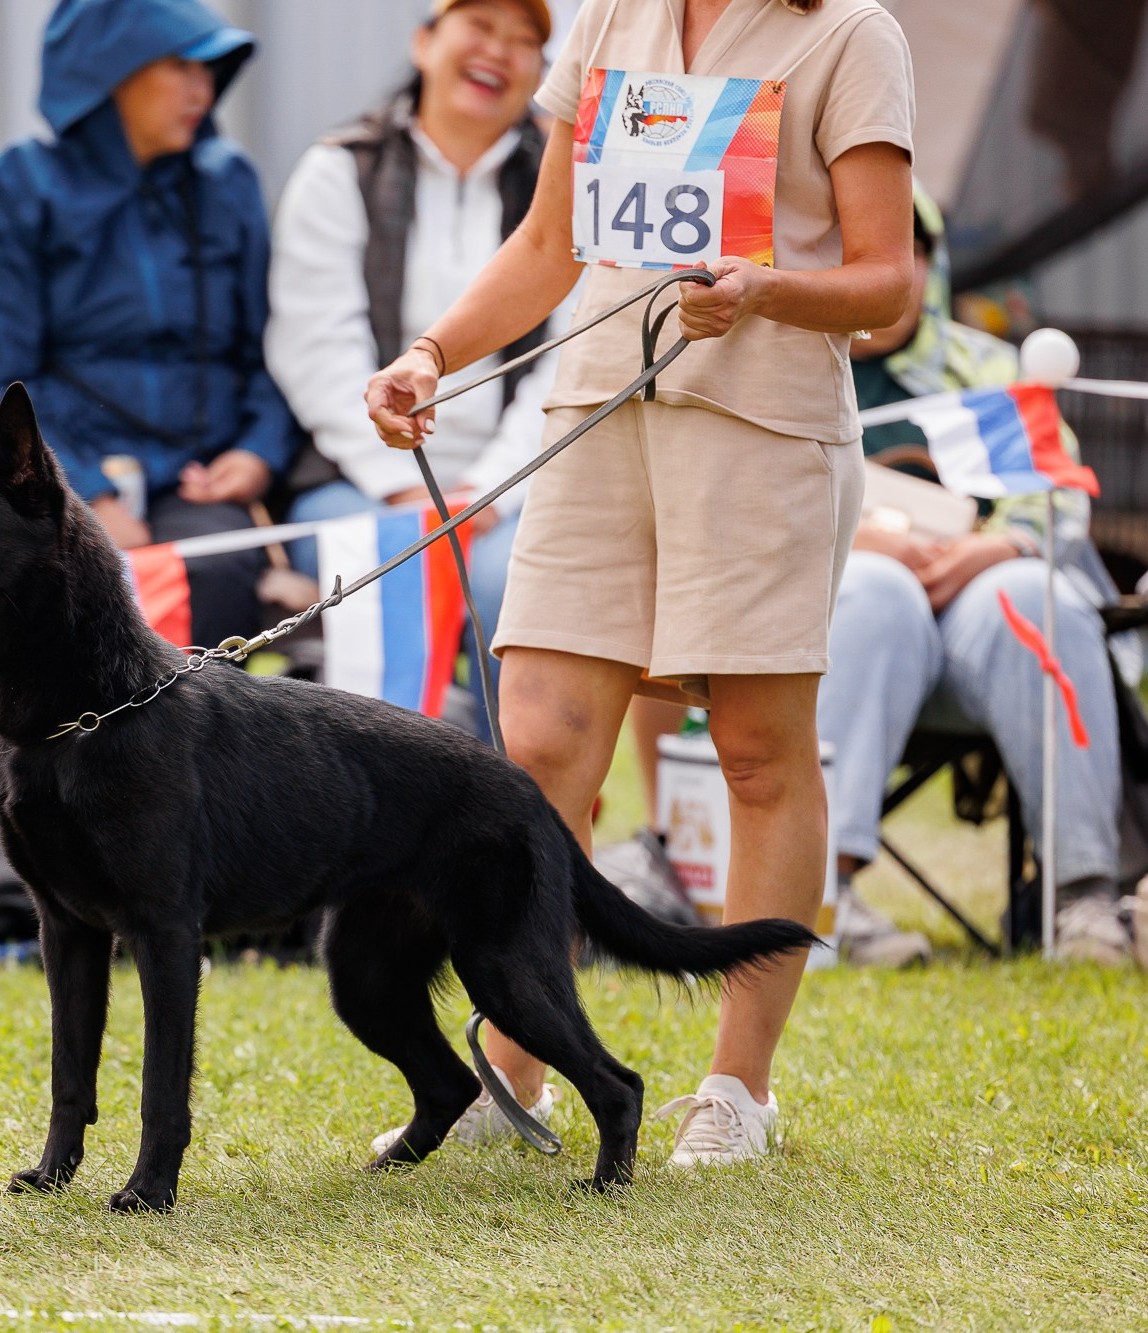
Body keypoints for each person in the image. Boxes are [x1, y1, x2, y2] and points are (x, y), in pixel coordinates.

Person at [365, 0, 916, 1164]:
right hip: (595, 417)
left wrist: (760, 289)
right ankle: (514, 1063)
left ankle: (736, 1089)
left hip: (764, 432)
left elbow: (886, 284)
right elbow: (545, 244)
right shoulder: (611, 16)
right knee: (536, 752)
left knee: (757, 755)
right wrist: (430, 355)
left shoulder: (851, 33)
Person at [822, 187, 1142, 969]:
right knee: (879, 590)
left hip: (982, 612)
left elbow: (1052, 500)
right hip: (839, 619)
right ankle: (824, 896)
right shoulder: (779, 367)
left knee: (1037, 596)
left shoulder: (990, 367)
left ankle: (1082, 900)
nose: (879, 261)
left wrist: (992, 549)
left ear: (927, 264)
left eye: (903, 246)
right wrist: (857, 540)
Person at [0, 0, 297, 652]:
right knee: (57, 580)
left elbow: (274, 346)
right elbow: (5, 377)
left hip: (200, 479)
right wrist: (83, 493)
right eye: (180, 66)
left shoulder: (227, 181)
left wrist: (258, 452)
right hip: (64, 477)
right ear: (109, 71)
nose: (203, 91)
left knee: (213, 568)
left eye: (210, 70)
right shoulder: (15, 189)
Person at [267, 0, 559, 710]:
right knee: (390, 575)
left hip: (515, 490)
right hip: (357, 481)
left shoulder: (561, 190)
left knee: (519, 588)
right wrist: (406, 491)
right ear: (424, 42)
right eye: (479, 27)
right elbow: (315, 351)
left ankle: (507, 782)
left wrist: (483, 496)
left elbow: (566, 364)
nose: (499, 51)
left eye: (524, 40)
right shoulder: (340, 170)